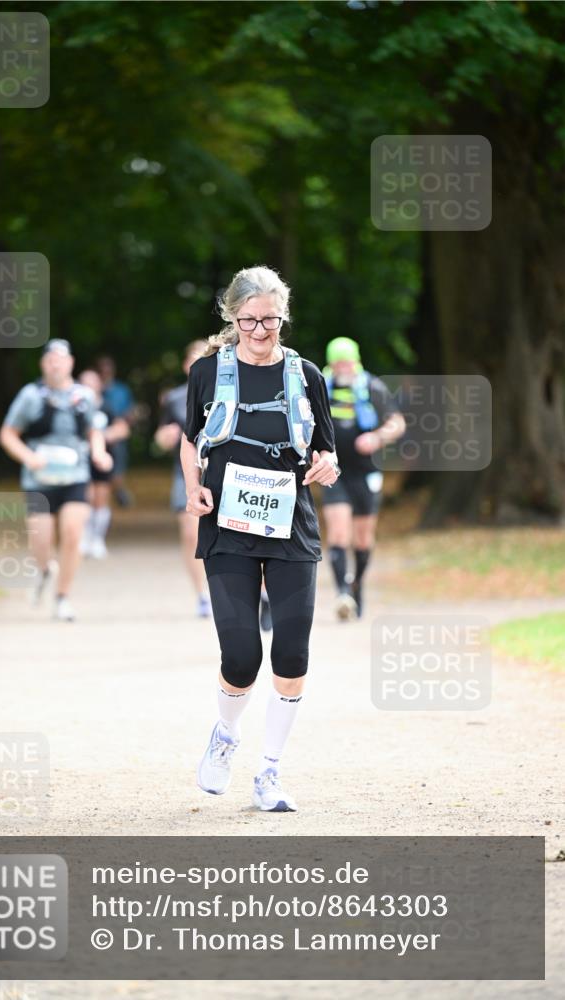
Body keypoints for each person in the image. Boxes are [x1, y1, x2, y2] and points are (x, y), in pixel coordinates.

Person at [181, 266, 339, 813]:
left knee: (293, 650)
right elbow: (189, 440)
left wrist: (327, 467)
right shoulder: (208, 372)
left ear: (284, 317)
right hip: (227, 523)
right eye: (248, 320)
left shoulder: (306, 374)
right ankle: (225, 736)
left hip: (290, 523)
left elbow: (326, 448)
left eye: (270, 319)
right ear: (232, 317)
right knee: (242, 654)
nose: (259, 330)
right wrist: (193, 488)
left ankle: (269, 771)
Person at [0, 339, 112, 621]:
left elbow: (94, 431)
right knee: (41, 542)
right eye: (50, 359)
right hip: (39, 481)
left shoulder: (84, 396)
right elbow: (8, 434)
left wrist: (99, 453)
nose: (55, 364)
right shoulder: (30, 396)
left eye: (61, 359)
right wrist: (28, 456)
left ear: (70, 363)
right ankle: (45, 569)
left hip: (75, 476)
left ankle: (62, 597)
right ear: (43, 364)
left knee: (73, 535)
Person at [320, 336, 405, 620]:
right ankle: (342, 592)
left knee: (363, 537)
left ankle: (357, 585)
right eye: (337, 362)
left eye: (347, 362)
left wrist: (377, 437)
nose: (343, 368)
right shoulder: (321, 385)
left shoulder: (371, 386)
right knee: (338, 532)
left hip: (366, 472)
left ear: (356, 361)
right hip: (334, 472)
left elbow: (397, 423)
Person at [154, 340, 212, 617]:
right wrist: (164, 438)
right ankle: (202, 595)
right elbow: (163, 435)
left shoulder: (229, 391)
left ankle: (255, 592)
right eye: (193, 359)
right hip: (186, 472)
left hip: (224, 471)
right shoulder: (175, 398)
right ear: (185, 365)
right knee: (191, 534)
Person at [78, 369, 131, 559]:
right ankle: (84, 536)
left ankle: (97, 538)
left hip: (104, 457)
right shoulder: (76, 406)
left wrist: (105, 436)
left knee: (100, 498)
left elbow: (122, 428)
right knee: (86, 496)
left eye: (92, 383)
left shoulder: (106, 407)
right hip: (81, 458)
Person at [95, 356, 135, 507]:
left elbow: (130, 411)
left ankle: (118, 489)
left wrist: (124, 424)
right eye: (102, 368)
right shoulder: (93, 389)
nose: (106, 371)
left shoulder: (122, 390)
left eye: (108, 368)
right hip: (97, 433)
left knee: (117, 466)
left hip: (117, 436)